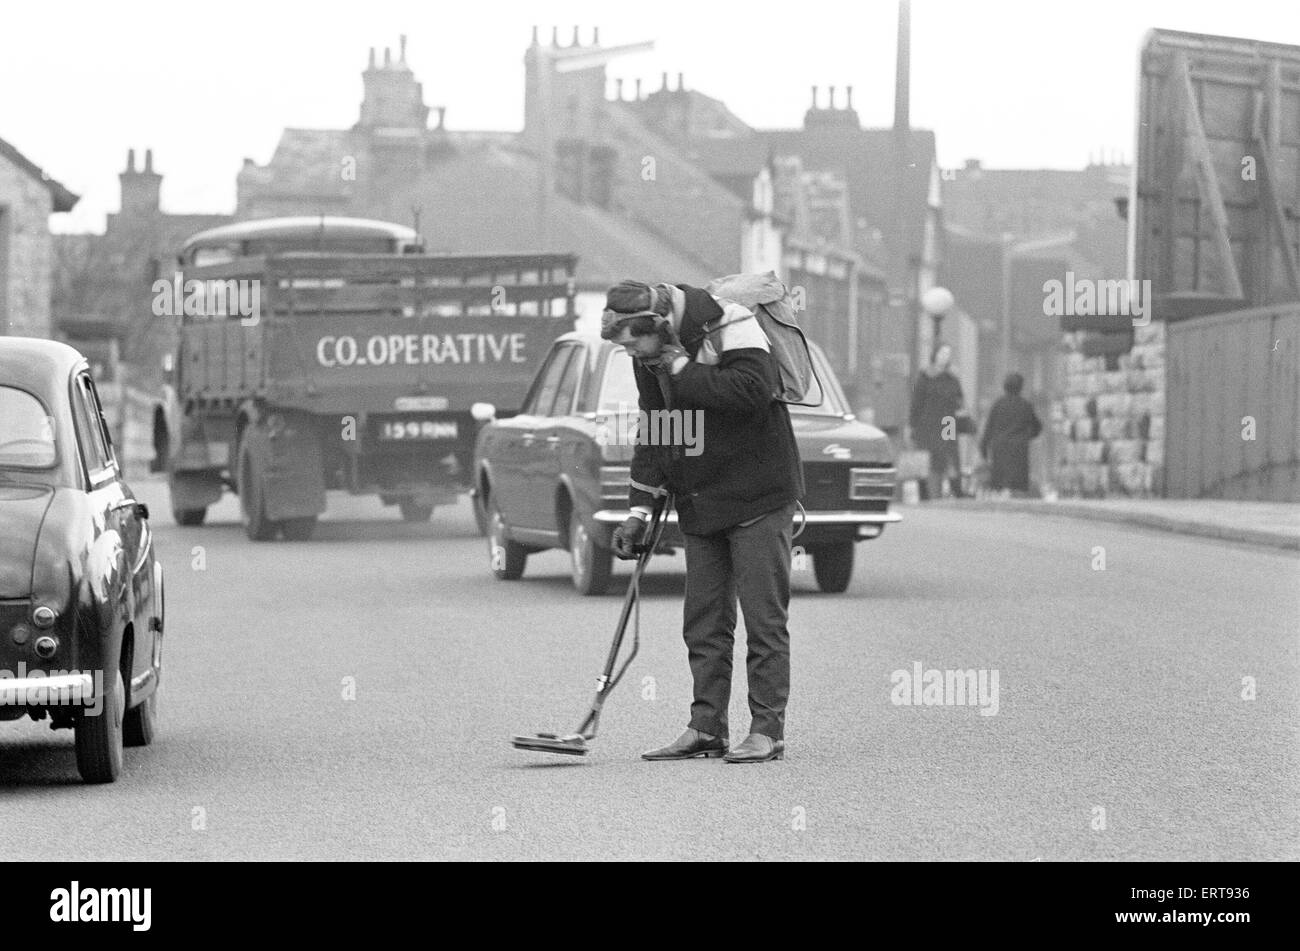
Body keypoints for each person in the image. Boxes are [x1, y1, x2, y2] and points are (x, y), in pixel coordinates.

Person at [601, 279, 803, 764]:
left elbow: (750, 393)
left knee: (763, 618)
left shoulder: (733, 325)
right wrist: (638, 510)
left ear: (660, 326)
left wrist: (678, 366)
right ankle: (707, 727)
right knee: (704, 622)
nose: (632, 353)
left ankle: (767, 730)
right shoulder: (649, 357)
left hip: (758, 492)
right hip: (701, 497)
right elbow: (659, 426)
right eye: (623, 345)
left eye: (634, 342)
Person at [907, 343, 968, 499]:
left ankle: (956, 489)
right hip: (927, 423)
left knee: (950, 455)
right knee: (927, 459)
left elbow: (959, 400)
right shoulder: (925, 377)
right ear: (935, 355)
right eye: (943, 353)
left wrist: (962, 414)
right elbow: (916, 403)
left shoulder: (952, 378)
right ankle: (926, 493)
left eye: (948, 353)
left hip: (948, 422)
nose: (946, 356)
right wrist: (912, 425)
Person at [979, 372, 1042, 496]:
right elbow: (1038, 427)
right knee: (1016, 487)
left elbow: (988, 430)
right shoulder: (1026, 405)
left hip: (1000, 450)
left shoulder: (998, 405)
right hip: (1019, 451)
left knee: (1001, 485)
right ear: (1020, 387)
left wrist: (984, 451)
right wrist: (1027, 436)